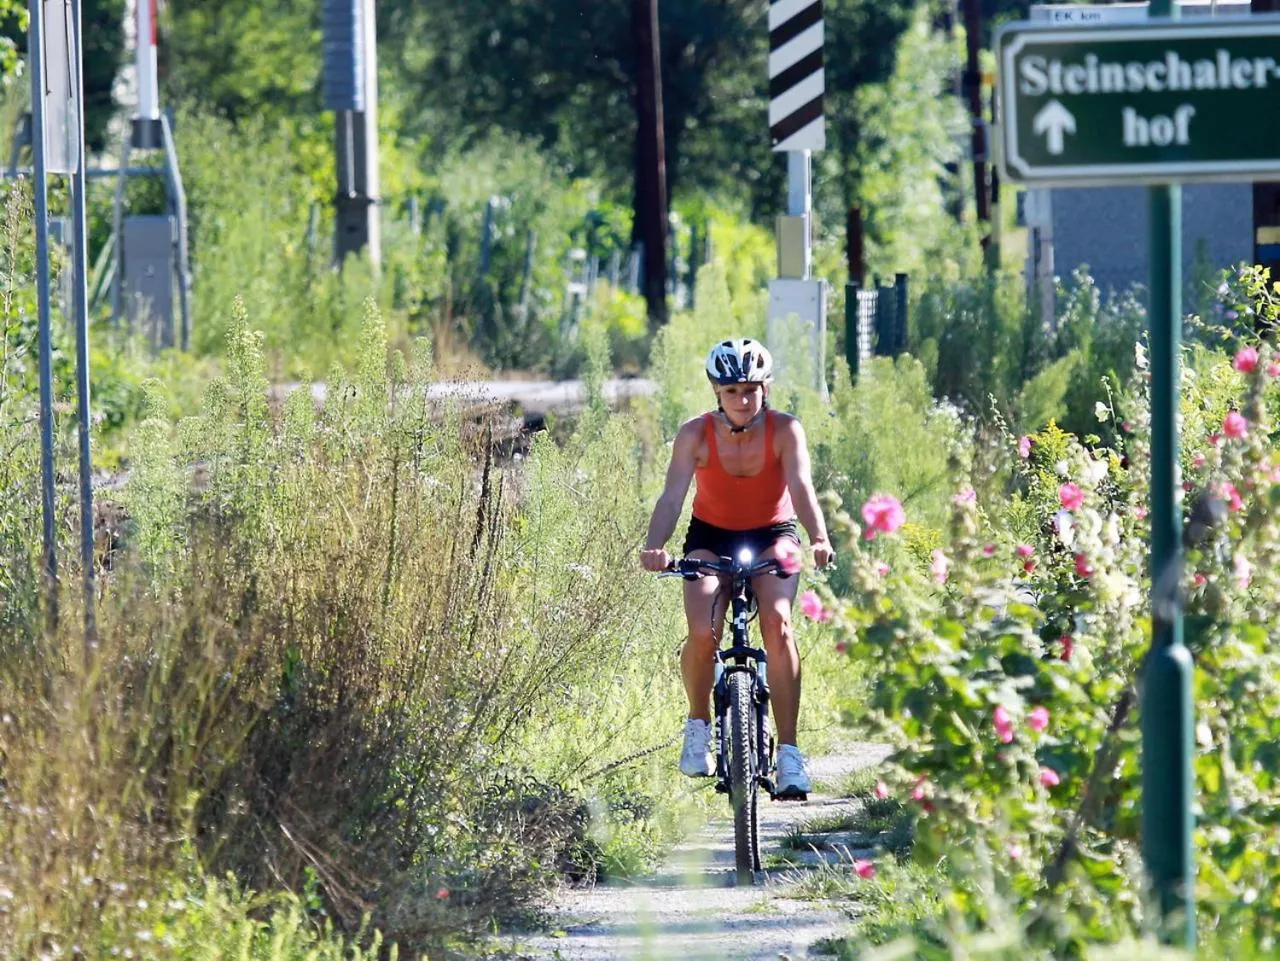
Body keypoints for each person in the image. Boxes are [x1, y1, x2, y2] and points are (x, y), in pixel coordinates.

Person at [639, 338, 835, 799]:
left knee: (779, 624)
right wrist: (654, 546)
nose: (743, 400)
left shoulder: (786, 430)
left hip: (773, 534)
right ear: (715, 391)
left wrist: (820, 538)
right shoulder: (694, 434)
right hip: (711, 537)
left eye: (751, 389)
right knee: (703, 628)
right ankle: (698, 725)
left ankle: (788, 753)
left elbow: (802, 488)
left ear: (766, 388)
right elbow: (672, 497)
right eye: (732, 391)